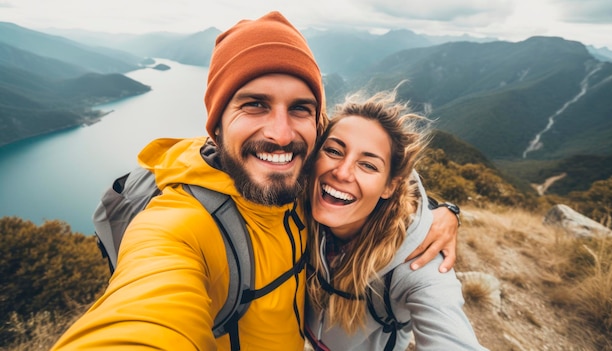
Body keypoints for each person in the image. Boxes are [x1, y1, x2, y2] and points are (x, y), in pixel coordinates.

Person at [51, 11, 459, 351]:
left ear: (315, 130)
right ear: (215, 127)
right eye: (254, 104)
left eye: (300, 109)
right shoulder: (179, 225)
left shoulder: (304, 184)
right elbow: (143, 313)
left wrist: (442, 212)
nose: (281, 134)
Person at [304, 87, 487, 350]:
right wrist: (447, 210)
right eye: (333, 151)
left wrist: (448, 212)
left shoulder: (416, 262)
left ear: (390, 186)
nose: (342, 173)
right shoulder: (297, 209)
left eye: (368, 165)